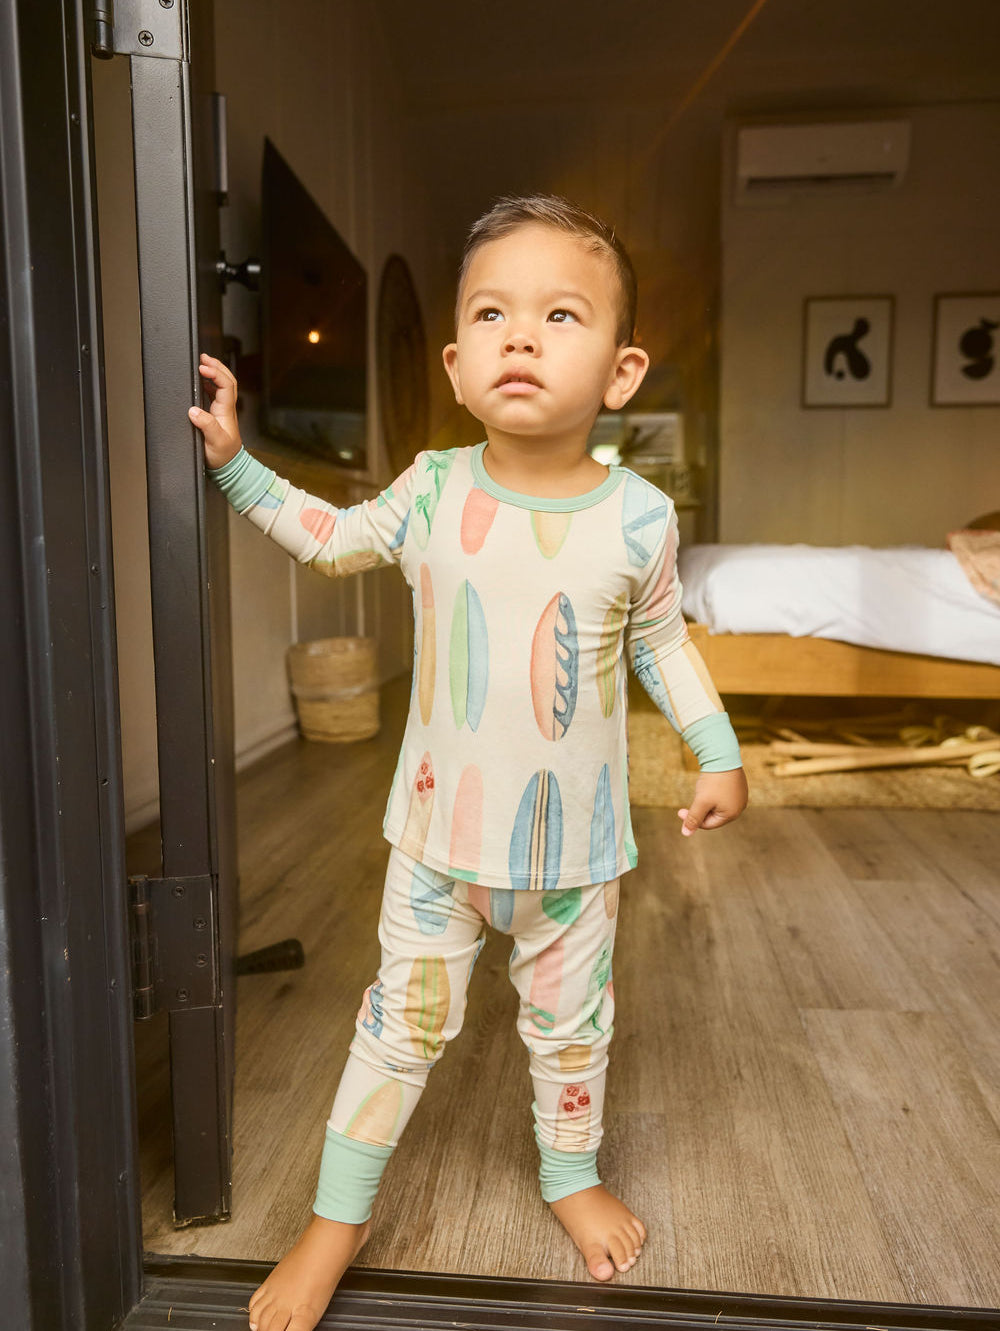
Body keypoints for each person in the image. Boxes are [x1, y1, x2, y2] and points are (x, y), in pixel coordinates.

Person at [190, 195, 748, 1331]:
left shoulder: (639, 518)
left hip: (574, 856)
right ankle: (331, 1228)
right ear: (453, 363)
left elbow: (662, 643)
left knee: (572, 1029)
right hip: (438, 843)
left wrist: (717, 747)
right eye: (491, 313)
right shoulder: (434, 489)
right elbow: (335, 540)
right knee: (395, 1027)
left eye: (558, 314)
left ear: (622, 370)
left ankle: (568, 1172)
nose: (521, 337)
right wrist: (238, 464)